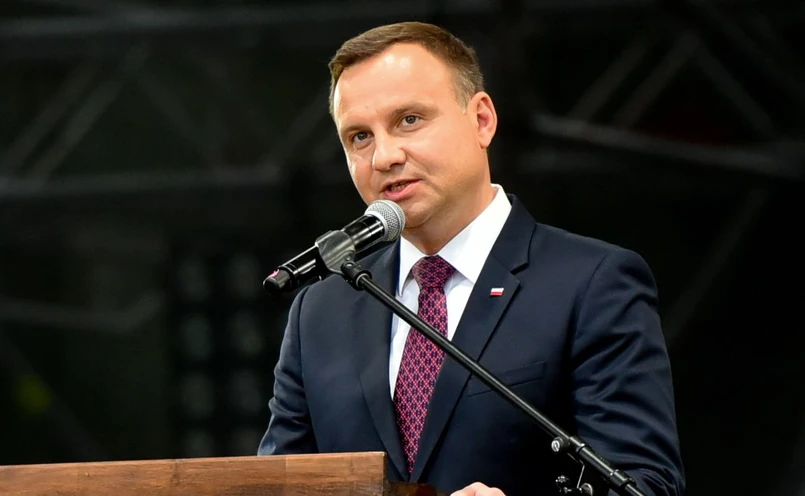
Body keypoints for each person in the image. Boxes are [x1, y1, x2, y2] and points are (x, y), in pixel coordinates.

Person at [258, 21, 685, 496]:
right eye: (359, 137)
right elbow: (275, 487)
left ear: (482, 120)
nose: (383, 156)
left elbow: (645, 484)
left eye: (409, 120)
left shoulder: (592, 283)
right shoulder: (320, 312)